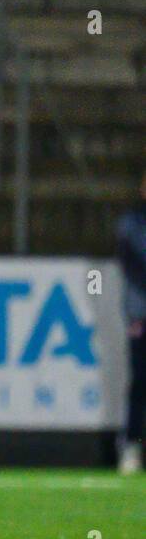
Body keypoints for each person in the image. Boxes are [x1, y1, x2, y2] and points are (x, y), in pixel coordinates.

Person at [115, 174, 146, 475]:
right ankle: (132, 446)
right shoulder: (132, 223)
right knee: (139, 382)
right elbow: (129, 262)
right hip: (141, 312)